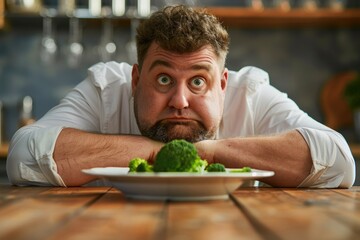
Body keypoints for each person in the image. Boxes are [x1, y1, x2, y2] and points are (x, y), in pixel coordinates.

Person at [7, 5, 355, 188]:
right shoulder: (105, 89)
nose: (180, 101)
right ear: (135, 80)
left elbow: (339, 162)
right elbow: (24, 155)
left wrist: (204, 151)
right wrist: (164, 152)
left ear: (222, 84)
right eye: (162, 79)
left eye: (198, 82)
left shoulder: (250, 93)